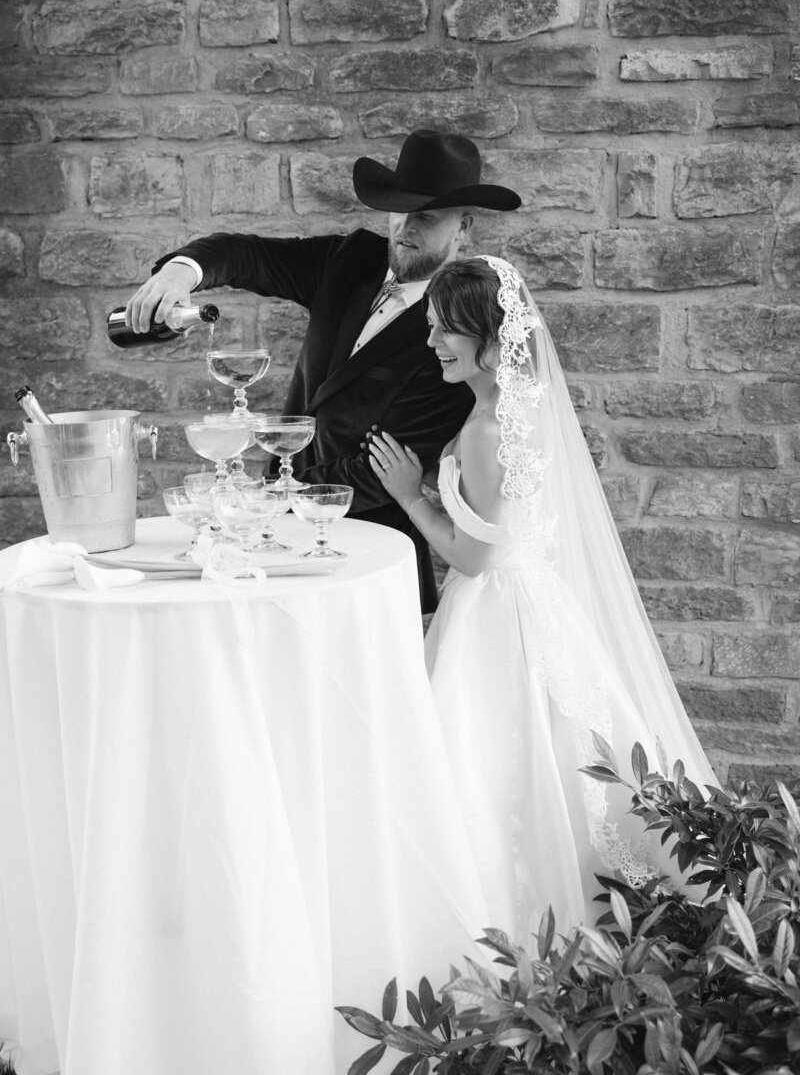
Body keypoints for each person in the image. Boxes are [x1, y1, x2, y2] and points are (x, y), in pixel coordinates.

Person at [368, 255, 719, 940]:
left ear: (491, 336)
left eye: (445, 330)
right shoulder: (522, 405)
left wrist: (411, 497)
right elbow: (507, 527)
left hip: (494, 614)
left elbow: (476, 556)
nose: (432, 342)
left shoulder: (485, 428)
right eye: (432, 326)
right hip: (535, 601)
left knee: (487, 773)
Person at [125, 130, 521, 611]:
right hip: (279, 542)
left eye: (426, 217)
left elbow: (382, 471)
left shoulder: (459, 343)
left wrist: (273, 496)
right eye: (398, 210)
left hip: (368, 553)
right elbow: (246, 255)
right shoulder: (348, 261)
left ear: (464, 227)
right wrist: (179, 273)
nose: (405, 227)